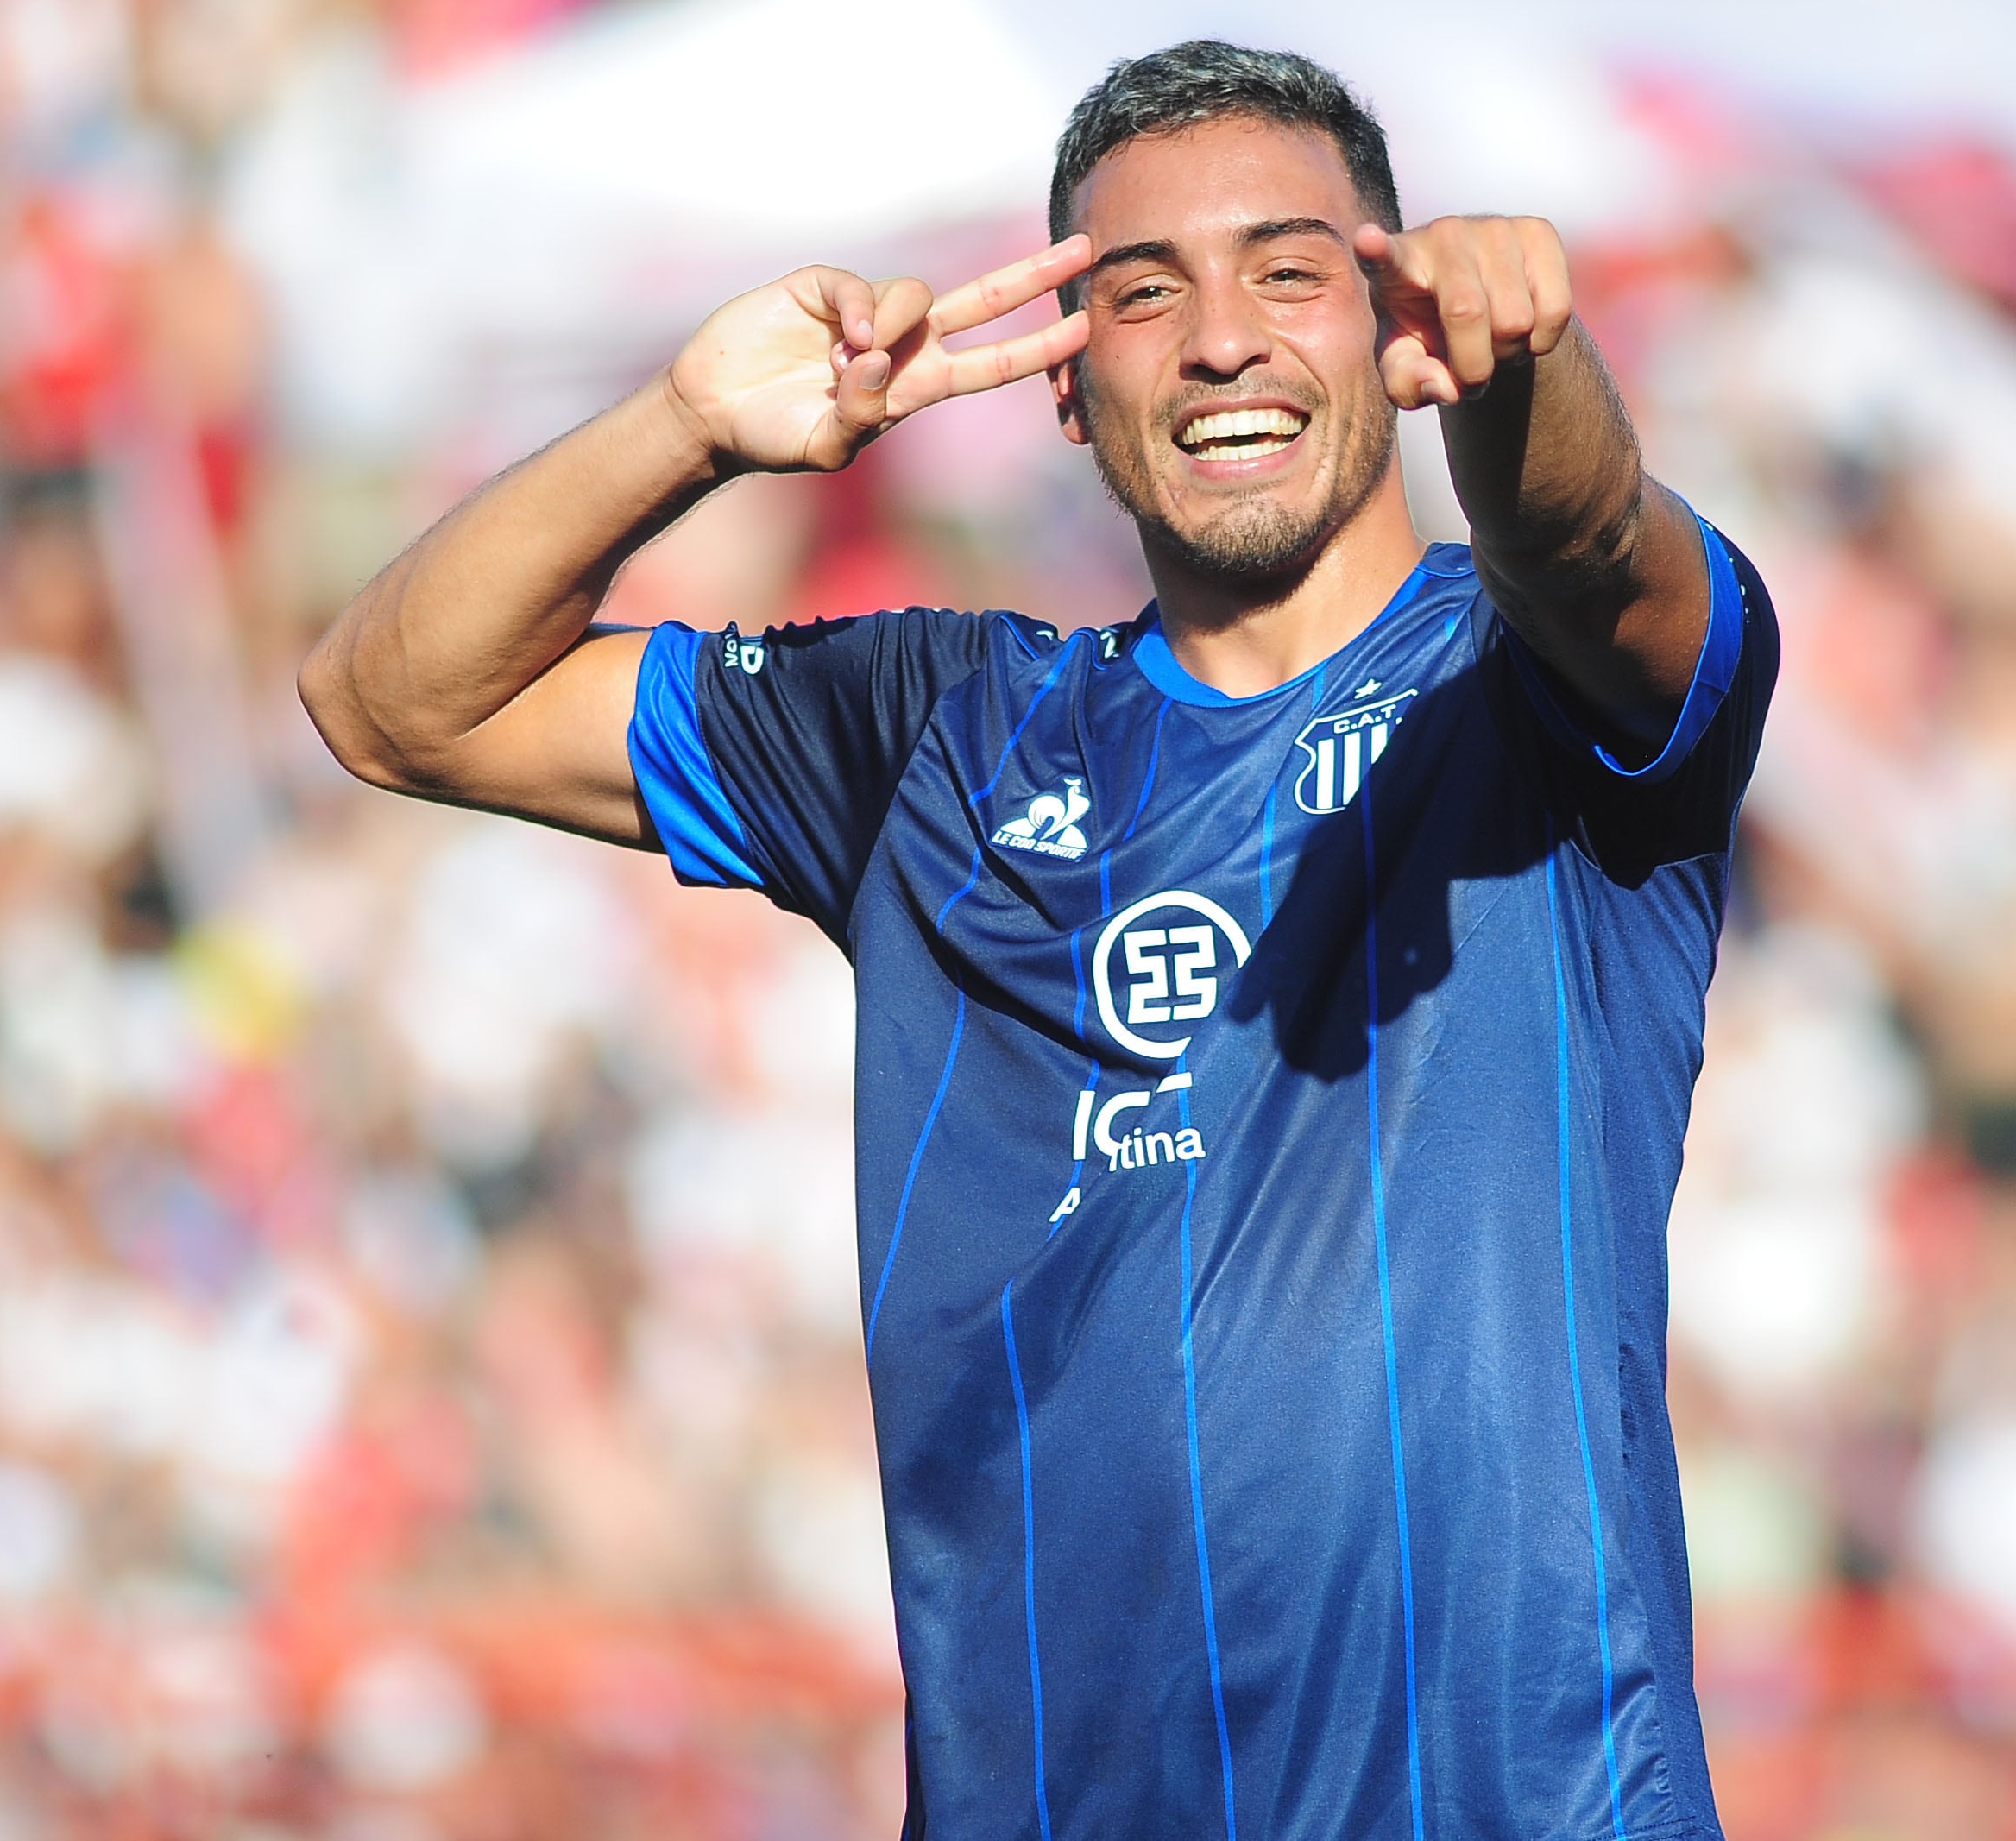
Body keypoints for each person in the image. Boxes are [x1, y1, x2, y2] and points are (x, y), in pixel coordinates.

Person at [300, 39, 1773, 1841]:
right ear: (1070, 391)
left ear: (1395, 328)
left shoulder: (1541, 701)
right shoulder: (935, 732)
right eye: (1145, 294)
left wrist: (1522, 371)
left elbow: (1586, 538)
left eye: (1287, 270)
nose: (1222, 335)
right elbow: (394, 701)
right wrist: (680, 425)